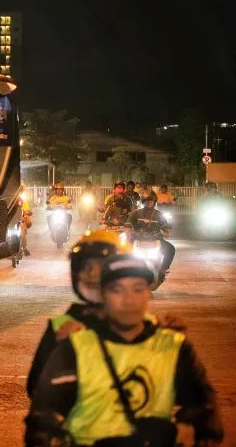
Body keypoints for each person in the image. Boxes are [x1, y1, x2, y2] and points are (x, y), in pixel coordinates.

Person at [25, 254, 224, 446]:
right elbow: (44, 414)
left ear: (149, 293)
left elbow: (202, 399)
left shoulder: (174, 346)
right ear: (103, 295)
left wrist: (209, 429)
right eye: (117, 290)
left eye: (138, 290)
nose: (129, 301)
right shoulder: (75, 348)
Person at [26, 230, 131, 397]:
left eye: (102, 268)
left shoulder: (145, 327)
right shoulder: (62, 327)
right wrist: (62, 354)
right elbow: (37, 388)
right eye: (86, 267)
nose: (92, 275)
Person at [126, 190, 175, 273]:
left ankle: (164, 268)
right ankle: (125, 268)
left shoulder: (159, 214)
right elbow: (128, 225)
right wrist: (128, 233)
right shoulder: (135, 213)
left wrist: (167, 232)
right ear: (143, 201)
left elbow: (165, 225)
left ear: (154, 202)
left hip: (155, 239)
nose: (149, 202)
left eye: (151, 200)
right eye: (147, 200)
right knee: (122, 249)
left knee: (171, 249)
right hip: (138, 238)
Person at [20, 188, 33, 257]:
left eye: (21, 191)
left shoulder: (24, 202)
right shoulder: (9, 201)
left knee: (22, 234)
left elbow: (27, 211)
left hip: (21, 221)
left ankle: (24, 247)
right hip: (11, 222)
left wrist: (26, 215)